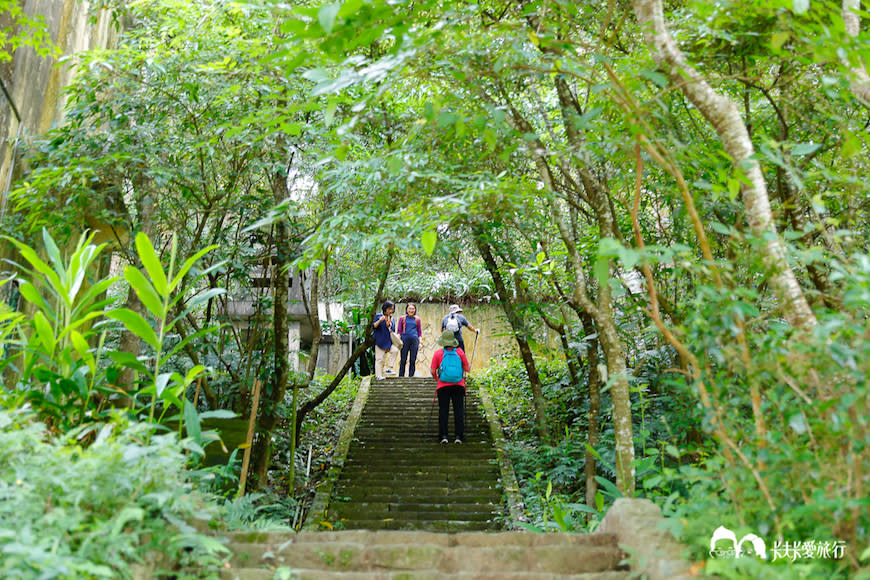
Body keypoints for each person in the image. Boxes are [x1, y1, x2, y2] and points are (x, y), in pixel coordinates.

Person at [430, 329, 470, 444]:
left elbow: (433, 371)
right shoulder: (460, 352)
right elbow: (467, 368)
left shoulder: (438, 354)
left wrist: (439, 379)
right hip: (458, 385)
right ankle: (459, 437)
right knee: (459, 411)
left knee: (443, 411)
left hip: (443, 387)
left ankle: (443, 436)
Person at [372, 300, 398, 379]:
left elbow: (393, 330)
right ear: (385, 308)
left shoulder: (392, 319)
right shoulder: (378, 316)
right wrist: (380, 321)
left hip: (389, 342)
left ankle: (389, 368)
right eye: (389, 309)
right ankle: (378, 376)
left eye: (392, 309)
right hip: (379, 341)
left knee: (395, 350)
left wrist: (390, 325)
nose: (391, 311)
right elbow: (374, 326)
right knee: (379, 359)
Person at [397, 302, 423, 377]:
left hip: (414, 341)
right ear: (406, 309)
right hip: (404, 340)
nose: (411, 310)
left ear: (415, 310)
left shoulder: (417, 319)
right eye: (410, 308)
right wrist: (398, 341)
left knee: (413, 360)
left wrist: (420, 343)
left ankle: (411, 377)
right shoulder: (402, 318)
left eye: (413, 309)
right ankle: (401, 377)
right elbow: (399, 331)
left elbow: (419, 332)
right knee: (403, 360)